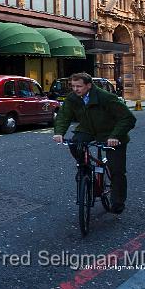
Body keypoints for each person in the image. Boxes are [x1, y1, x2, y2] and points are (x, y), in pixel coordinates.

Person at [53, 72, 136, 214]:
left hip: (111, 133)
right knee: (74, 143)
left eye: (79, 86)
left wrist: (115, 136)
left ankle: (118, 201)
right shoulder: (73, 98)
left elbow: (128, 118)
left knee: (116, 170)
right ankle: (84, 169)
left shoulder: (106, 97)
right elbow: (64, 115)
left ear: (89, 85)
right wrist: (59, 132)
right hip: (88, 130)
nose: (75, 89)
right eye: (73, 86)